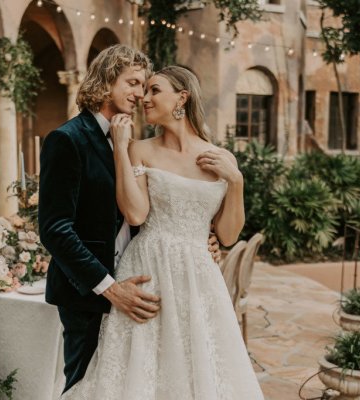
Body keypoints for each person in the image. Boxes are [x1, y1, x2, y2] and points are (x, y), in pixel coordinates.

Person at [58, 66, 265, 399]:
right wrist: (121, 150)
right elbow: (136, 212)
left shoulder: (221, 157)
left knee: (198, 365)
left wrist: (236, 181)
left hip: (199, 277)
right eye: (144, 90)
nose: (145, 98)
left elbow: (226, 235)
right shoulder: (140, 149)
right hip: (149, 268)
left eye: (155, 90)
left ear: (181, 97)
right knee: (145, 368)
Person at [38, 46, 222, 394]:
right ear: (107, 81)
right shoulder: (67, 140)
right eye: (133, 83)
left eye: (145, 86)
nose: (140, 94)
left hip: (138, 281)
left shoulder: (128, 142)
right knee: (87, 386)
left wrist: (204, 236)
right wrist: (110, 288)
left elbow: (144, 208)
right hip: (89, 295)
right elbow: (55, 229)